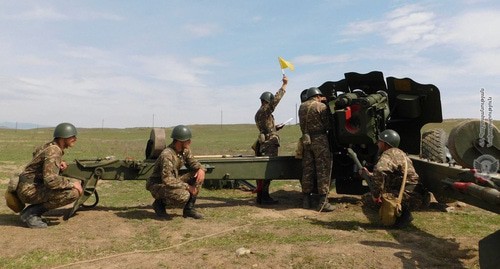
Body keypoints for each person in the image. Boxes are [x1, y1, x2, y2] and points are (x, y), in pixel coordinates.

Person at [16, 122, 83, 228]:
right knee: (73, 193)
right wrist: (72, 183)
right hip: (29, 190)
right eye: (72, 136)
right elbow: (50, 180)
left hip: (27, 186)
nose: (75, 139)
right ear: (63, 137)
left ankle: (31, 212)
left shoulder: (50, 146)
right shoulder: (54, 151)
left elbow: (38, 159)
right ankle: (31, 214)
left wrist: (57, 163)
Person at [360, 129, 426, 228]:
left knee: (368, 199)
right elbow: (390, 174)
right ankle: (400, 214)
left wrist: (376, 194)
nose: (377, 144)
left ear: (385, 143)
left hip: (406, 196)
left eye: (379, 141)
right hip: (415, 194)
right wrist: (369, 174)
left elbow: (379, 170)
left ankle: (401, 216)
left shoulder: (389, 153)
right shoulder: (400, 153)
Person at [146, 125, 206, 219]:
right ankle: (159, 204)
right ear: (179, 141)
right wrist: (187, 187)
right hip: (158, 185)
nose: (190, 142)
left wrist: (201, 169)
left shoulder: (185, 150)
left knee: (197, 175)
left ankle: (189, 209)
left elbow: (193, 163)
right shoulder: (167, 155)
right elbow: (167, 180)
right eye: (187, 140)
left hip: (172, 180)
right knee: (183, 196)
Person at [253, 75, 288, 205]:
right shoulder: (265, 109)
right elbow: (276, 101)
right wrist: (284, 86)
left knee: (262, 171)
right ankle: (264, 197)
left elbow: (266, 128)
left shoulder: (260, 112)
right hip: (269, 144)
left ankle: (261, 196)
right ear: (268, 101)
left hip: (264, 142)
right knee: (268, 170)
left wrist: (275, 128)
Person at [298, 87, 334, 212]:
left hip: (306, 141)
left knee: (308, 169)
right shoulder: (321, 107)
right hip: (320, 140)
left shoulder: (302, 107)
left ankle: (306, 200)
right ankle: (323, 202)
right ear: (318, 96)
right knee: (322, 169)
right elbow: (328, 125)